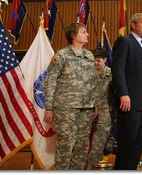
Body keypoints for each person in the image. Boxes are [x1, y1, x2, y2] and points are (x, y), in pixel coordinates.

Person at [43, 22, 97, 170]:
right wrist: (48, 107)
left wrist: (95, 103)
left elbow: (93, 82)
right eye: (83, 32)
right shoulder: (61, 55)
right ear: (73, 36)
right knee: (66, 143)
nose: (87, 34)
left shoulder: (89, 56)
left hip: (86, 108)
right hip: (65, 108)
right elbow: (50, 82)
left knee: (82, 145)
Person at [111, 13, 142, 170]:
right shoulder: (124, 41)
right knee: (127, 142)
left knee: (138, 142)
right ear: (133, 25)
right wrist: (123, 93)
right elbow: (118, 70)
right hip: (129, 102)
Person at [86, 47, 114, 169]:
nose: (96, 63)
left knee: (100, 137)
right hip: (89, 109)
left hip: (106, 110)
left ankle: (90, 165)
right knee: (87, 137)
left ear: (105, 60)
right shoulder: (89, 73)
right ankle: (117, 147)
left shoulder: (111, 74)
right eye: (94, 60)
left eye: (98, 60)